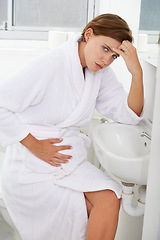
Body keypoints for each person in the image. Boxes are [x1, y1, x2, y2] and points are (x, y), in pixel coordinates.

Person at [0, 13, 144, 240]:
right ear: (88, 34)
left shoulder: (99, 72)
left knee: (110, 197)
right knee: (96, 208)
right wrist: (35, 145)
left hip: (68, 162)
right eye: (105, 49)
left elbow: (129, 114)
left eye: (114, 56)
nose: (107, 60)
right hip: (32, 167)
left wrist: (136, 72)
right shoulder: (49, 64)